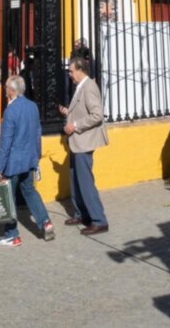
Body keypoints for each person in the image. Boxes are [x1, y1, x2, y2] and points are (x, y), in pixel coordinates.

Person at [0, 75, 55, 246]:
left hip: (13, 162)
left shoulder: (11, 111)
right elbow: (37, 133)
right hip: (28, 159)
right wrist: (37, 155)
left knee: (8, 196)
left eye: (6, 88)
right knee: (30, 191)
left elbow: (5, 142)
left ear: (11, 91)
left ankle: (12, 234)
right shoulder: (32, 107)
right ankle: (45, 221)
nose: (5, 92)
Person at [60, 56, 109, 234]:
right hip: (76, 142)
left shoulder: (89, 87)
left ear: (80, 70)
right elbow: (82, 110)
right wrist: (68, 112)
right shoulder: (80, 87)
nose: (70, 75)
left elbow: (97, 115)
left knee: (85, 181)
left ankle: (99, 219)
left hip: (84, 141)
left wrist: (75, 125)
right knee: (75, 179)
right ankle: (82, 214)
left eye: (71, 71)